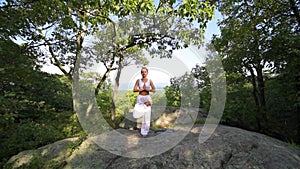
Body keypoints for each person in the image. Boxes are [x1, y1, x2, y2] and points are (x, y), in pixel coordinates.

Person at [133, 67, 156, 138]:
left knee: (146, 116)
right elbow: (134, 90)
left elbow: (154, 89)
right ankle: (143, 130)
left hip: (147, 98)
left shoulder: (150, 80)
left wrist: (147, 89)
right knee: (136, 113)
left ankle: (145, 132)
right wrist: (141, 89)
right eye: (142, 72)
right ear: (141, 73)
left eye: (145, 72)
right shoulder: (138, 80)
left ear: (147, 73)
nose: (143, 73)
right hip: (140, 98)